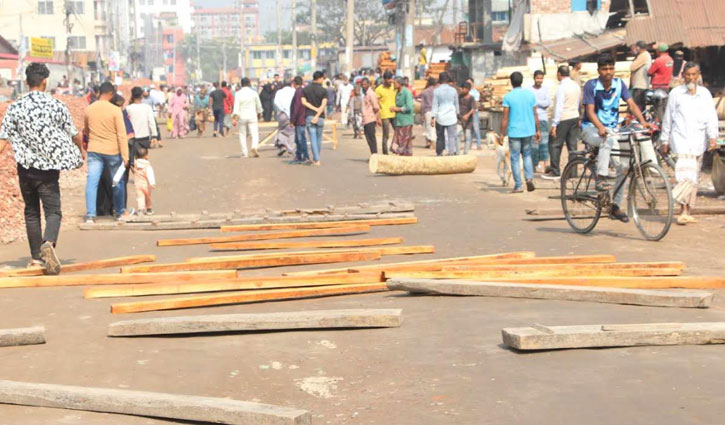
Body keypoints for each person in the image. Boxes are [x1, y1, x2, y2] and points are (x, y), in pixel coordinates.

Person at [0, 62, 83, 274]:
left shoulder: (15, 107)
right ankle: (48, 242)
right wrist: (79, 151)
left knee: (31, 212)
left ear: (27, 82)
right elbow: (75, 134)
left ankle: (36, 258)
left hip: (25, 169)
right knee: (53, 211)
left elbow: (3, 140)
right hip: (48, 171)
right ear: (45, 82)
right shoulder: (57, 105)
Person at [581, 54, 652, 222]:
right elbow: (589, 112)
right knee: (607, 141)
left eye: (611, 68)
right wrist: (600, 127)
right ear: (599, 70)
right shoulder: (591, 86)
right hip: (591, 129)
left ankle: (615, 206)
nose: (608, 72)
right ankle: (601, 178)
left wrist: (642, 122)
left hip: (612, 130)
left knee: (624, 167)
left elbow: (632, 104)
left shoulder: (619, 84)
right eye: (604, 69)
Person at [660, 62, 719, 225]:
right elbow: (668, 118)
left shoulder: (705, 94)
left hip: (698, 141)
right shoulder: (676, 94)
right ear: (683, 76)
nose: (691, 78)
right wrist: (664, 139)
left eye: (694, 74)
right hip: (680, 140)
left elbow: (711, 117)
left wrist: (712, 136)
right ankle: (683, 210)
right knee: (684, 175)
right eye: (688, 75)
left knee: (693, 177)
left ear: (698, 74)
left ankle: (687, 210)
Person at [83, 81, 129, 222]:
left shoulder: (89, 109)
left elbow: (86, 130)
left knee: (92, 182)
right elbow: (121, 134)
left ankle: (90, 215)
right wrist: (125, 155)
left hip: (94, 150)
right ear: (110, 94)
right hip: (112, 151)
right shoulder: (115, 110)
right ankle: (119, 212)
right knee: (117, 182)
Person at [501, 71, 539, 193]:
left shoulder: (508, 96)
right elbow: (535, 113)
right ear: (521, 81)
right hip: (528, 130)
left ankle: (518, 185)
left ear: (511, 82)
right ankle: (529, 179)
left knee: (515, 158)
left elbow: (505, 117)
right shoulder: (530, 95)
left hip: (514, 132)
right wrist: (537, 129)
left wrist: (502, 133)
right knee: (527, 155)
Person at [544, 65, 581, 180]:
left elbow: (559, 106)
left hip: (563, 118)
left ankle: (555, 171)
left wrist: (554, 124)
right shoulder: (576, 86)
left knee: (555, 144)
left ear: (559, 74)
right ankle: (573, 172)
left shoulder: (561, 88)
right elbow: (579, 102)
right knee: (572, 145)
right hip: (574, 116)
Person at [126, 87, 158, 168]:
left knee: (133, 160)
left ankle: (138, 176)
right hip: (144, 138)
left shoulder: (128, 108)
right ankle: (142, 176)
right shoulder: (147, 108)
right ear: (141, 96)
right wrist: (154, 136)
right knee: (143, 159)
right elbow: (151, 122)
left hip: (132, 138)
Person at [231, 77, 263, 158]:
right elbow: (258, 105)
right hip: (252, 115)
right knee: (254, 133)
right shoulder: (254, 93)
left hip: (242, 116)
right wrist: (259, 113)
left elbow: (236, 107)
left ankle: (245, 153)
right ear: (249, 84)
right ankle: (254, 147)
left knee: (242, 135)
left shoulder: (238, 94)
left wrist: (234, 117)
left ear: (241, 84)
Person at [302, 71, 328, 166]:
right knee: (318, 138)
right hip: (320, 117)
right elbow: (323, 104)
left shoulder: (305, 89)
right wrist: (317, 114)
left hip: (309, 116)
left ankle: (316, 159)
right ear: (320, 78)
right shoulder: (323, 91)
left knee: (312, 138)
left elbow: (304, 102)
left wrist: (313, 110)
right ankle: (317, 158)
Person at [431, 72, 459, 156]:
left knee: (440, 137)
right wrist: (457, 114)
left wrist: (433, 117)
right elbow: (456, 104)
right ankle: (451, 153)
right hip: (451, 116)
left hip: (440, 117)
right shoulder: (453, 90)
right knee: (451, 137)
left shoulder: (436, 91)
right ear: (447, 80)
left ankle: (439, 153)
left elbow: (435, 105)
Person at [529, 70, 551, 173]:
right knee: (533, 143)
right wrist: (538, 104)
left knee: (544, 142)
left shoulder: (545, 89)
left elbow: (547, 103)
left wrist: (535, 102)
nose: (539, 80)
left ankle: (546, 165)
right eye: (538, 78)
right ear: (534, 78)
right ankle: (534, 165)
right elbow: (529, 104)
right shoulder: (529, 90)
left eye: (541, 78)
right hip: (532, 118)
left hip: (543, 118)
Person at [390, 77, 415, 156]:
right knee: (399, 139)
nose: (393, 85)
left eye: (394, 83)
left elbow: (409, 107)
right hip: (400, 120)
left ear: (399, 84)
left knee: (403, 140)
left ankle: (401, 154)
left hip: (406, 121)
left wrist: (398, 109)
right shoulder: (398, 93)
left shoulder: (406, 93)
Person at [375, 71, 397, 154]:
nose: (390, 80)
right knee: (386, 136)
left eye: (391, 78)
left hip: (395, 114)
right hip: (385, 115)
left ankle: (396, 150)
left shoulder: (394, 87)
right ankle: (385, 154)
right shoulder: (379, 89)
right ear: (384, 79)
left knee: (398, 133)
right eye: (389, 79)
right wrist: (378, 117)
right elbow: (376, 104)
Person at [273, 80, 297, 156]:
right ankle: (291, 148)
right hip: (292, 114)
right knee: (292, 132)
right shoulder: (294, 91)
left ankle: (282, 146)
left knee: (281, 130)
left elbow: (276, 102)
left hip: (282, 114)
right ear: (292, 84)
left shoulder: (279, 92)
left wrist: (283, 109)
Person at [289, 76, 310, 164]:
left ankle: (305, 156)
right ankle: (299, 156)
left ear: (294, 83)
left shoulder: (298, 92)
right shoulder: (302, 91)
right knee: (298, 139)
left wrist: (292, 120)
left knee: (301, 139)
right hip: (302, 117)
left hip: (299, 119)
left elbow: (296, 107)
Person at [360, 77, 382, 154]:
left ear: (369, 84)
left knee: (371, 138)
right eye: (362, 85)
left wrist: (377, 117)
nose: (363, 86)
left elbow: (376, 107)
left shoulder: (371, 94)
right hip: (366, 119)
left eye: (365, 84)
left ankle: (375, 155)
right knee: (368, 138)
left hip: (370, 119)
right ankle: (373, 154)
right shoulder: (365, 94)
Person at [132, 145, 156, 215]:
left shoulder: (135, 164)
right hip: (146, 185)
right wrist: (152, 183)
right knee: (147, 197)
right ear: (146, 156)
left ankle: (140, 209)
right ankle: (149, 209)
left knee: (140, 197)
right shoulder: (147, 166)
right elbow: (150, 175)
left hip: (138, 185)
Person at [630, 41, 652, 112]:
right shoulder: (643, 55)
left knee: (638, 106)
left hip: (640, 85)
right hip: (640, 85)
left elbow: (632, 67)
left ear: (638, 48)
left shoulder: (643, 55)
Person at [458, 82, 477, 154]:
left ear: (468, 89)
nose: (463, 90)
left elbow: (473, 108)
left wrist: (467, 115)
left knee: (467, 136)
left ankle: (466, 152)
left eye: (465, 88)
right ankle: (457, 150)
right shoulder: (459, 97)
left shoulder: (471, 98)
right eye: (462, 88)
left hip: (468, 120)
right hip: (459, 118)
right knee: (457, 134)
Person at [419, 77, 437, 149]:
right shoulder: (437, 91)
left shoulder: (425, 92)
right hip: (437, 111)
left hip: (428, 111)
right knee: (435, 127)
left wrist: (422, 114)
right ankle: (432, 142)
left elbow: (423, 104)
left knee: (429, 127)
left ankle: (432, 143)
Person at [466, 78, 482, 150]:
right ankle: (469, 144)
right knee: (469, 129)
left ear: (472, 83)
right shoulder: (466, 92)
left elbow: (475, 103)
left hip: (474, 112)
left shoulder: (475, 92)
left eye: (469, 83)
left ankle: (479, 144)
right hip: (467, 112)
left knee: (476, 128)